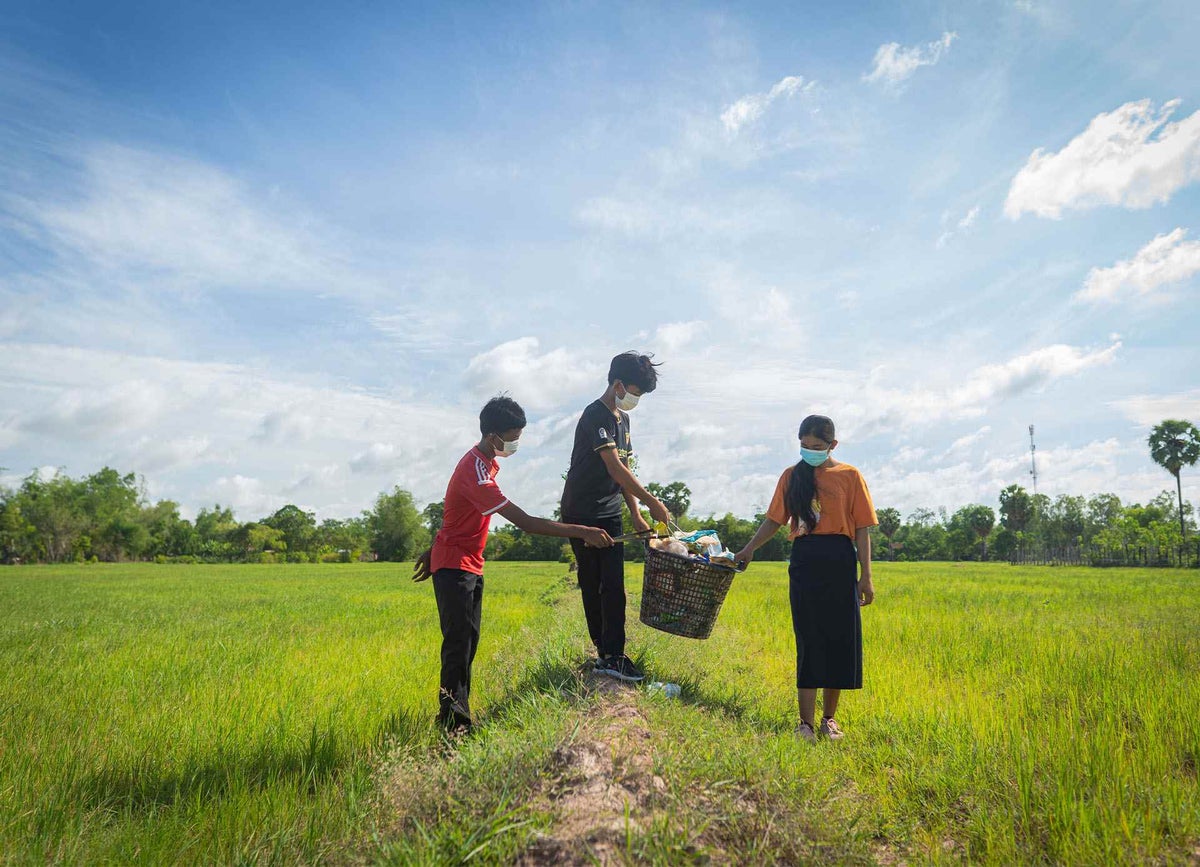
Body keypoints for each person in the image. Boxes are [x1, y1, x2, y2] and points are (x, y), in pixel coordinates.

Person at [413, 395, 613, 732]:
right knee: (458, 645)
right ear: (493, 436)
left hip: (468, 564)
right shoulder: (476, 471)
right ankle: (454, 724)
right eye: (513, 435)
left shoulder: (484, 463)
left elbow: (455, 512)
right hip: (455, 567)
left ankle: (457, 715)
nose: (515, 442)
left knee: (467, 643)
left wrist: (436, 543)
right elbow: (526, 523)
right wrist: (582, 531)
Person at [734, 414, 877, 742]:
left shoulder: (850, 476)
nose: (809, 451)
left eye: (817, 447)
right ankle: (805, 724)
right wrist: (749, 549)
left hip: (840, 562)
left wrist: (866, 577)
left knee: (841, 641)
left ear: (832, 445)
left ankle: (829, 720)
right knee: (810, 639)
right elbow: (774, 520)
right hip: (805, 562)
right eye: (804, 446)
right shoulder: (792, 476)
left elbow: (862, 529)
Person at [560, 351, 673, 682]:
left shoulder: (624, 421)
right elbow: (613, 466)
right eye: (635, 392)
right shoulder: (595, 415)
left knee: (614, 584)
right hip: (581, 508)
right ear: (618, 384)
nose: (635, 399)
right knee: (594, 582)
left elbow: (625, 469)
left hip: (609, 507)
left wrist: (636, 514)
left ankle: (613, 653)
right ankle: (606, 654)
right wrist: (652, 501)